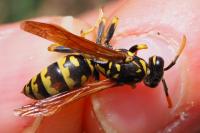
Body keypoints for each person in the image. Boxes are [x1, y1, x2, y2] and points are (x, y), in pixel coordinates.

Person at [0, 0, 199, 132]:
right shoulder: (123, 81)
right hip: (84, 73)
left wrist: (104, 28)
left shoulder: (127, 56)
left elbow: (135, 44)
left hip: (83, 61)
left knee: (86, 43)